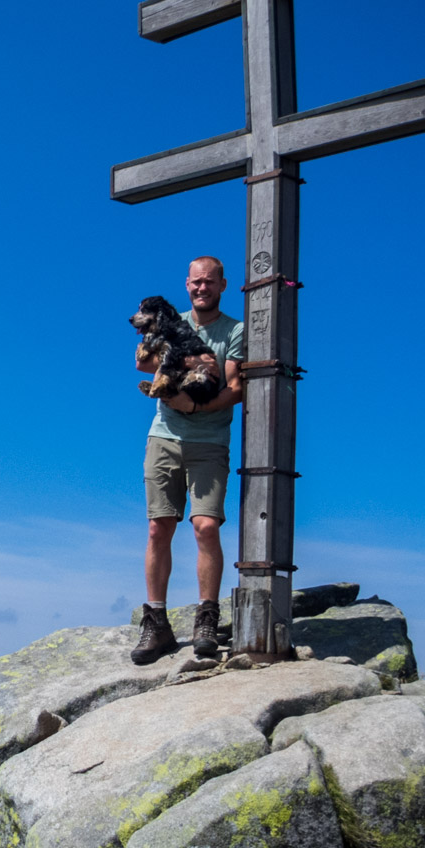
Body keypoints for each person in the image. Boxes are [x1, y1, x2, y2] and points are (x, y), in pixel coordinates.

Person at [132, 256, 245, 664]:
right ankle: (156, 621)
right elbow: (142, 362)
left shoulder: (235, 330)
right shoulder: (169, 321)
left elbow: (235, 387)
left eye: (209, 282)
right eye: (196, 282)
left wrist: (193, 408)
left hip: (209, 438)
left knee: (205, 526)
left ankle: (206, 619)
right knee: (158, 529)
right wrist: (179, 358)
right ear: (187, 285)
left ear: (223, 285)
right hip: (164, 436)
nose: (202, 288)